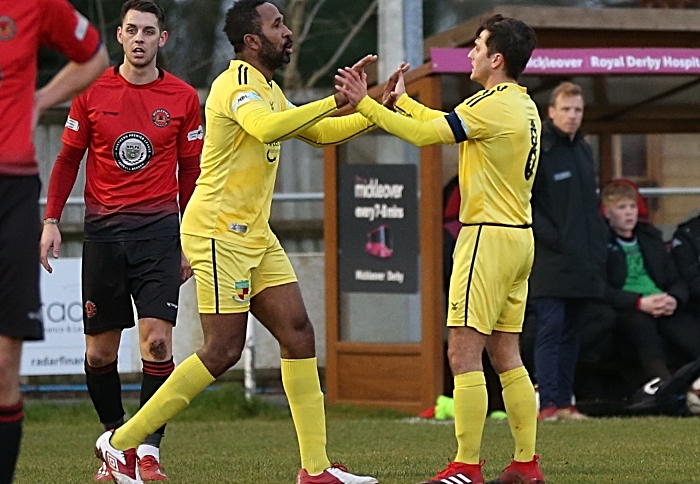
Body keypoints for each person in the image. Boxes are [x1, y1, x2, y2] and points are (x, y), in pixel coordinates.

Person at [94, 1, 381, 483]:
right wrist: (335, 100)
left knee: (297, 334)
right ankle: (120, 444)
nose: (287, 32)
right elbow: (267, 128)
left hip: (256, 234)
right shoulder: (235, 84)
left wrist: (373, 108)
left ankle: (315, 469)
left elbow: (319, 132)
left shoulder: (268, 86)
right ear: (253, 40)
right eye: (277, 25)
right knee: (223, 349)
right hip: (216, 232)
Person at [336, 14, 543, 484]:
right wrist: (404, 102)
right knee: (506, 354)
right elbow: (442, 124)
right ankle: (526, 463)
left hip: (486, 238)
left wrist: (363, 105)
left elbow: (427, 137)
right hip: (518, 239)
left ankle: (466, 467)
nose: (470, 53)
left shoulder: (492, 105)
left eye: (479, 45)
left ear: (496, 59)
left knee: (463, 355)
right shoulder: (521, 104)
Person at [38, 1, 203, 481]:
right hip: (105, 236)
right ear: (119, 35)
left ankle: (147, 449)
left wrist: (189, 238)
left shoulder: (182, 97)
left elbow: (192, 173)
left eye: (148, 32)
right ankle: (116, 443)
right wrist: (51, 221)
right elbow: (68, 160)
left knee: (156, 343)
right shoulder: (92, 92)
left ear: (162, 40)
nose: (139, 39)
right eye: (131, 30)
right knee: (100, 354)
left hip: (159, 236)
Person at [0, 2, 108, 482]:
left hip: (12, 188)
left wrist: (41, 98)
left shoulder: (36, 4)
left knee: (4, 362)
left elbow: (94, 56)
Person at [527, 82, 607, 421]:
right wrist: (555, 239)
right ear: (551, 112)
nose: (573, 117)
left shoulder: (584, 150)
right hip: (550, 260)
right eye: (567, 110)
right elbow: (527, 201)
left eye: (578, 110)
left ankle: (564, 402)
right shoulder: (540, 149)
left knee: (573, 331)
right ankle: (546, 404)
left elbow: (589, 206)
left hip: (582, 260)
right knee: (551, 328)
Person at [601, 180, 700, 403]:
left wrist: (674, 299)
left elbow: (676, 279)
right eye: (621, 208)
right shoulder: (600, 243)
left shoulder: (650, 238)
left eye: (632, 207)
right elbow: (599, 288)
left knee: (690, 334)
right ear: (607, 213)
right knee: (643, 331)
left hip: (661, 302)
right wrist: (637, 302)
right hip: (629, 307)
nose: (629, 214)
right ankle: (665, 389)